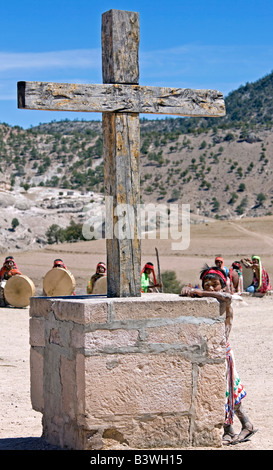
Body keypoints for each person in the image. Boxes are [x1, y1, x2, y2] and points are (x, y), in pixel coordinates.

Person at [180, 264, 257, 446]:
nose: (211, 288)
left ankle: (235, 428)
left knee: (227, 391)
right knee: (227, 392)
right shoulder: (208, 302)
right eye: (207, 285)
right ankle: (240, 426)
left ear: (222, 285)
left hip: (224, 353)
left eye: (215, 284)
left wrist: (199, 292)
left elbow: (227, 296)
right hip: (214, 353)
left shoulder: (224, 300)